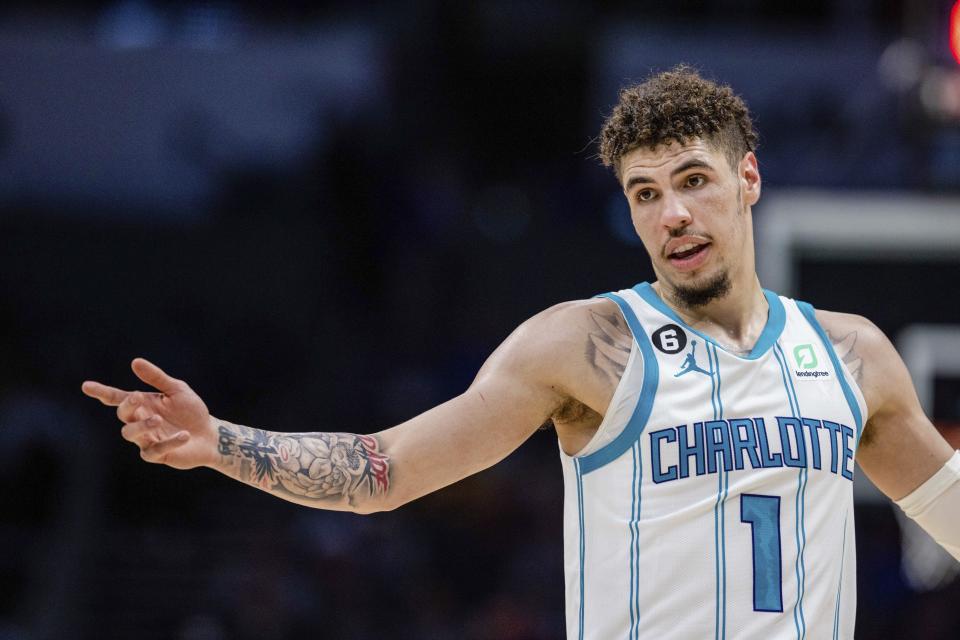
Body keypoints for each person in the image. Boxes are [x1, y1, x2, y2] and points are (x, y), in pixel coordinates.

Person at [82, 67, 959, 639]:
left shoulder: (850, 356)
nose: (673, 215)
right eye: (644, 193)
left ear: (749, 180)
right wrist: (221, 443)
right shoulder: (582, 343)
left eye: (693, 180)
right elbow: (385, 471)